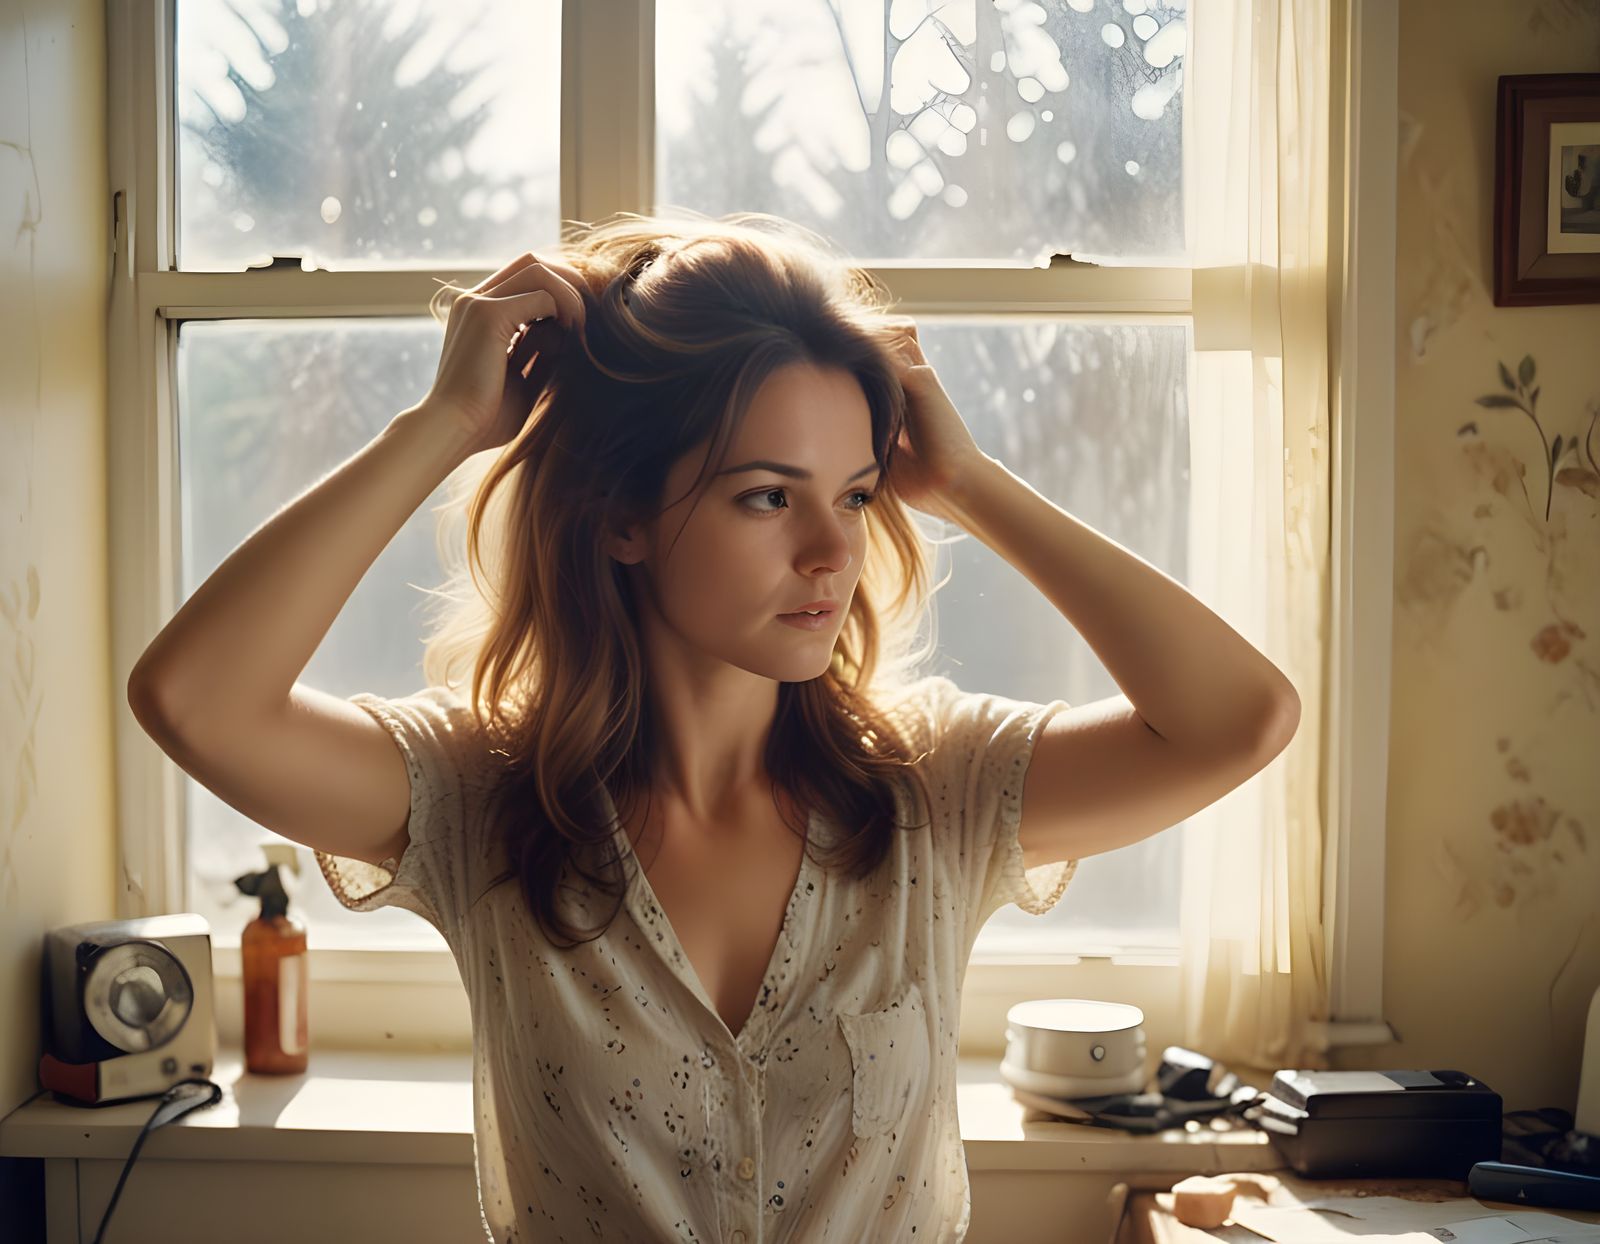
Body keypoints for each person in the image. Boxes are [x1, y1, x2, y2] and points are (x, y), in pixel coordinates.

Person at [128, 210, 1089, 1242]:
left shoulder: (932, 781)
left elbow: (1244, 717)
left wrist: (967, 482)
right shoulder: (478, 796)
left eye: (854, 496)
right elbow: (193, 699)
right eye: (768, 495)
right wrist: (443, 421)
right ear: (621, 515)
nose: (831, 552)